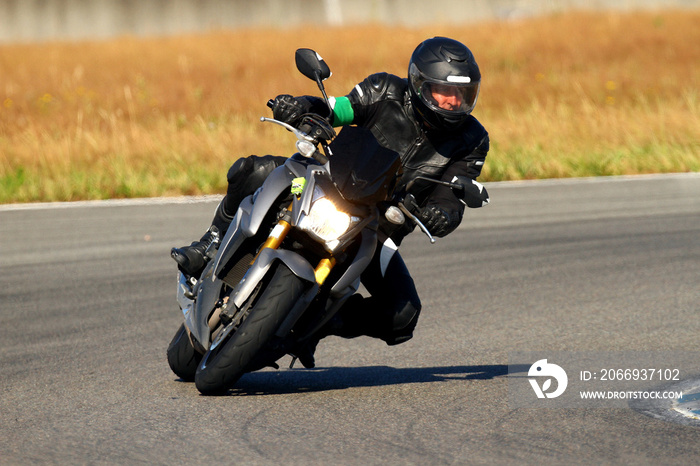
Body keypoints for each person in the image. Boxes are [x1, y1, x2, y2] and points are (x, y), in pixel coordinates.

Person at [171, 36, 490, 368]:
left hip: (379, 229)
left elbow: (455, 194)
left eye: (463, 94)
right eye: (446, 91)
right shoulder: (384, 91)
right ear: (420, 84)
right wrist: (301, 107)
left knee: (403, 315)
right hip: (330, 180)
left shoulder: (473, 140)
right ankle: (209, 244)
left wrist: (442, 214)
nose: (454, 101)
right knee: (254, 170)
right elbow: (337, 108)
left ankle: (319, 326)